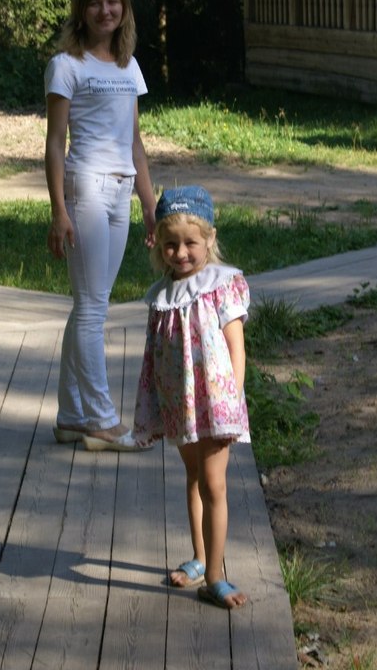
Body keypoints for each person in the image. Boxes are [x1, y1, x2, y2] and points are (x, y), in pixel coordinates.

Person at [45, 0, 156, 453]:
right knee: (92, 308)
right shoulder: (66, 65)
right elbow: (54, 143)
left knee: (92, 304)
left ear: (123, 9)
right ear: (82, 10)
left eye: (113, 2)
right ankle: (101, 419)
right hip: (85, 188)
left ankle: (71, 416)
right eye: (95, 2)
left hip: (121, 191)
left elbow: (135, 143)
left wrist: (149, 205)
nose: (105, 10)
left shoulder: (129, 67)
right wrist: (59, 210)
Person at [133, 186, 250, 609]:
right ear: (158, 244)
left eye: (190, 243)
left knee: (215, 484)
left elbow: (235, 346)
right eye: (170, 245)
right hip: (179, 404)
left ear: (209, 238)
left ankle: (215, 577)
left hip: (216, 405)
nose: (180, 253)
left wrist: (233, 400)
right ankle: (201, 558)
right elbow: (158, 353)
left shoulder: (222, 285)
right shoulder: (161, 295)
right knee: (195, 477)